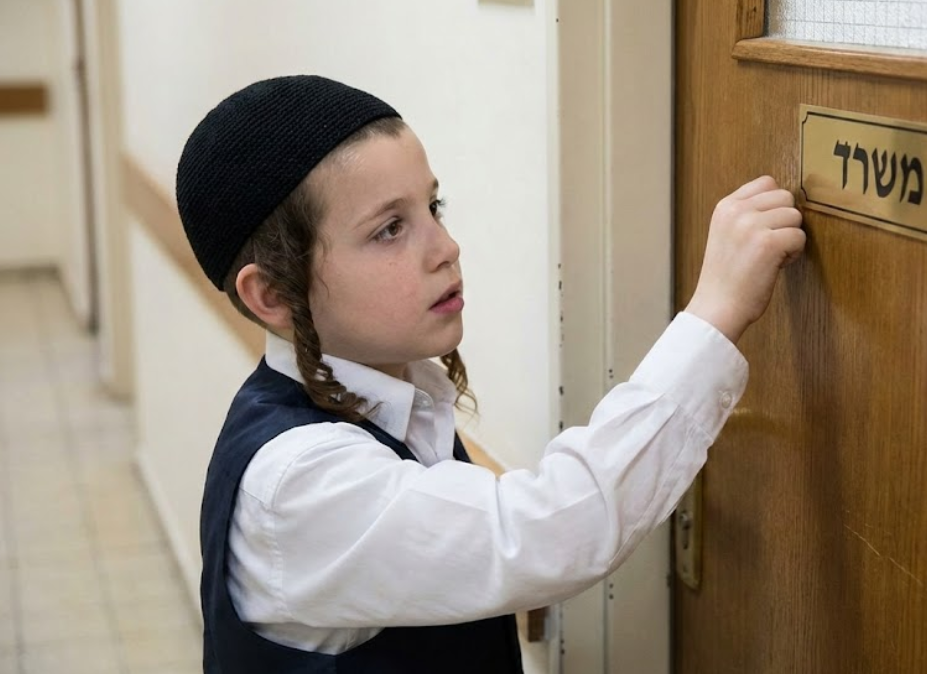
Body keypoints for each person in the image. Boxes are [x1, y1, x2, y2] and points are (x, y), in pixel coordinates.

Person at [176, 75, 805, 673]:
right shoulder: (299, 482)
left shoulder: (395, 393)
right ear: (272, 295)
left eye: (433, 206)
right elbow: (551, 532)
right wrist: (716, 311)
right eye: (389, 229)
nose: (445, 247)